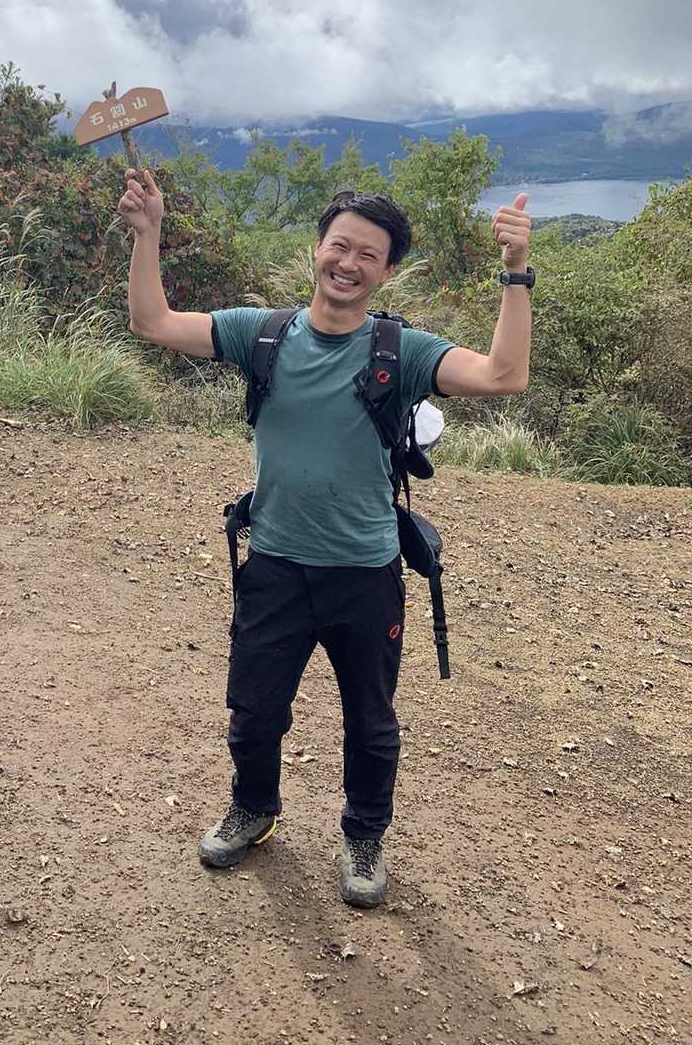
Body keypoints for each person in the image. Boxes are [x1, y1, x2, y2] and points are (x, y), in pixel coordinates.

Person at [118, 172, 532, 908]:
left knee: (370, 723)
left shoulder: (402, 351)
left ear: (387, 270)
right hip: (275, 563)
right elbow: (153, 323)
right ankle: (254, 807)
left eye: (368, 254)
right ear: (317, 248)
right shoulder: (262, 334)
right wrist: (147, 234)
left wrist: (516, 271)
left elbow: (505, 375)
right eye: (340, 246)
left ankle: (364, 836)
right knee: (253, 711)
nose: (349, 263)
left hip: (365, 573)